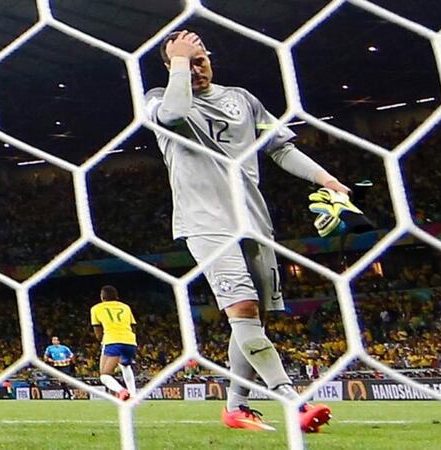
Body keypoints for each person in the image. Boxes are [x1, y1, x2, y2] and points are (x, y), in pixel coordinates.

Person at [145, 30, 345, 432]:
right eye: (186, 62)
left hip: (254, 222)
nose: (197, 68)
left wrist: (326, 180)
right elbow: (173, 113)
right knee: (243, 310)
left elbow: (281, 148)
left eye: (201, 60)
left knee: (255, 320)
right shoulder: (157, 100)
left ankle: (236, 407)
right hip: (204, 223)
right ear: (171, 69)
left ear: (211, 60)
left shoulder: (243, 99)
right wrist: (179, 62)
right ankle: (292, 399)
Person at [90, 285, 137, 401]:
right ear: (116, 296)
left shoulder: (96, 308)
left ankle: (122, 391)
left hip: (112, 341)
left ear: (102, 297)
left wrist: (102, 341)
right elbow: (133, 325)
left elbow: (98, 332)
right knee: (125, 366)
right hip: (130, 341)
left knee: (104, 375)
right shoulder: (125, 307)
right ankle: (134, 395)